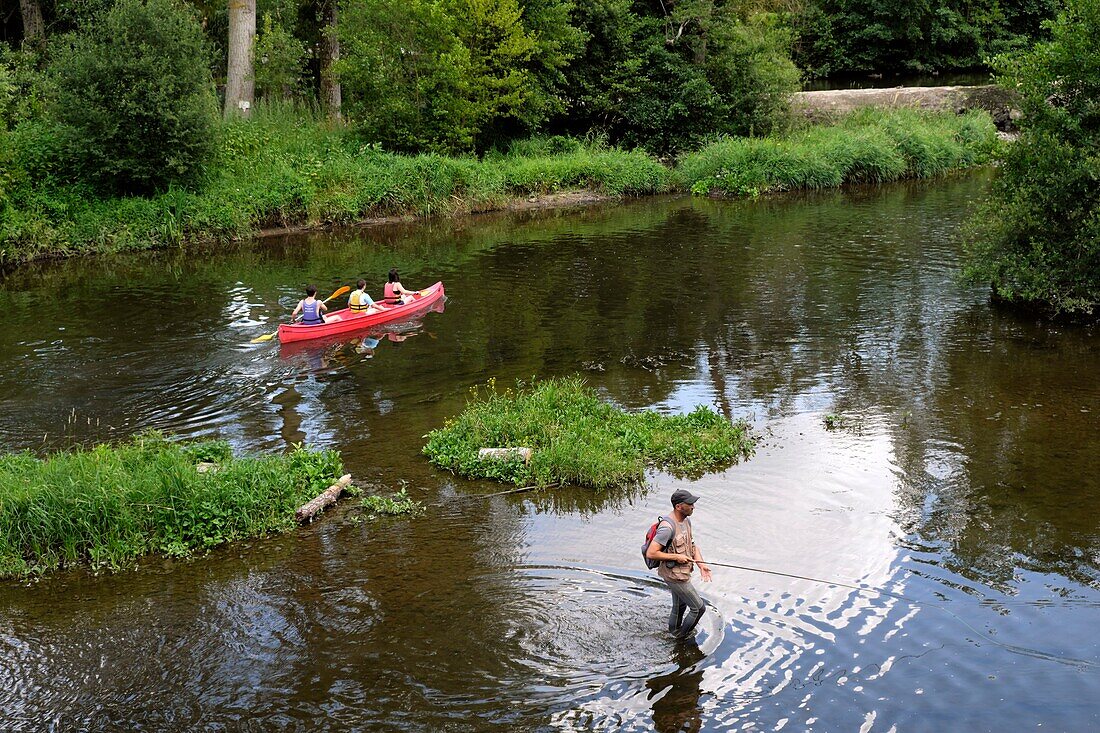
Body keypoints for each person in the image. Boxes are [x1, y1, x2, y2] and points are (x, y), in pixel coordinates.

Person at [645, 489, 712, 639]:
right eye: (690, 504)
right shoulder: (667, 528)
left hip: (682, 572)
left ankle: (674, 632)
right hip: (673, 575)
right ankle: (681, 638)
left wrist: (702, 565)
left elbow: (693, 546)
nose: (693, 506)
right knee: (699, 608)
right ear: (679, 506)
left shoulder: (686, 521)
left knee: (681, 605)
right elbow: (651, 552)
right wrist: (676, 556)